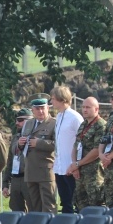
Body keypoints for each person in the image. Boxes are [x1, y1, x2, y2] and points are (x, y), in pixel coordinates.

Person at [19, 93, 57, 224]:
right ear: (32, 110)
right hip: (30, 170)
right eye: (37, 108)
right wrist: (20, 144)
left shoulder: (54, 123)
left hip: (46, 170)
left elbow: (57, 144)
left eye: (43, 108)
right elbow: (23, 146)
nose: (40, 111)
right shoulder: (28, 124)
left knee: (48, 206)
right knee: (34, 206)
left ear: (48, 108)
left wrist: (40, 143)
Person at [67, 98, 105, 213]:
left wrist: (78, 164)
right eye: (83, 107)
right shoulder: (83, 124)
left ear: (96, 109)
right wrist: (75, 165)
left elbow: (97, 150)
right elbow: (75, 145)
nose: (84, 110)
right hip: (80, 173)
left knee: (95, 207)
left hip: (94, 174)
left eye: (88, 107)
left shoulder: (101, 125)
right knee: (80, 206)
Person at [50, 86, 84, 216]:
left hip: (71, 167)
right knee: (65, 203)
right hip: (60, 167)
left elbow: (81, 141)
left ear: (61, 99)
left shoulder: (75, 117)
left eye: (53, 99)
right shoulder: (59, 116)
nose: (52, 102)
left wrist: (76, 164)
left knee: (76, 202)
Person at [2, 108, 32, 224]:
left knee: (33, 210)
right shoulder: (15, 137)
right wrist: (5, 183)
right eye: (17, 120)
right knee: (17, 211)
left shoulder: (34, 137)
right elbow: (10, 161)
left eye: (21, 120)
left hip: (29, 178)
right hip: (16, 178)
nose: (18, 123)